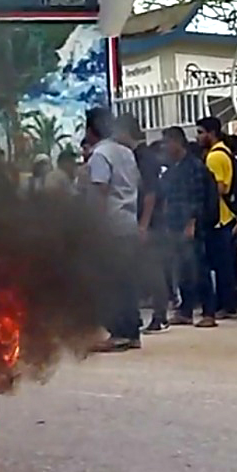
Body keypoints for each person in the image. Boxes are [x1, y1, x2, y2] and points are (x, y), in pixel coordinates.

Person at [86, 112, 144, 352]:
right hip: (128, 221)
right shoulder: (126, 152)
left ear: (91, 129)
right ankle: (131, 333)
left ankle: (120, 333)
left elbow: (101, 190)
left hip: (111, 225)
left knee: (113, 282)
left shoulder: (100, 154)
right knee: (126, 280)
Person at [145, 126, 206, 332]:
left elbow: (198, 197)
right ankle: (185, 310)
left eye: (167, 142)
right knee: (182, 268)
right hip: (173, 223)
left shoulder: (194, 166)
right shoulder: (172, 168)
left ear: (177, 142)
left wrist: (192, 223)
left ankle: (208, 312)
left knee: (197, 266)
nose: (165, 147)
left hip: (189, 223)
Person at [195, 116, 237, 325]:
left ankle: (225, 305)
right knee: (223, 264)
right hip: (224, 216)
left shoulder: (214, 157)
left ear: (211, 133)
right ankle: (226, 304)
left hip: (218, 217)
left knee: (221, 265)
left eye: (201, 132)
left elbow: (220, 187)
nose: (199, 137)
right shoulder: (224, 152)